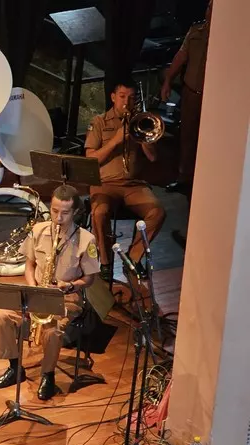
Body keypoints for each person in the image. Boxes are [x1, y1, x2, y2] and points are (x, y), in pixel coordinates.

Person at [0, 185, 100, 400]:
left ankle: (48, 376)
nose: (58, 217)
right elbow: (29, 265)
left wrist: (68, 285)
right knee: (2, 315)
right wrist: (32, 286)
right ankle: (14, 367)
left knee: (53, 330)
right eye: (55, 211)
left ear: (75, 212)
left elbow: (90, 278)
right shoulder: (38, 231)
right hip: (36, 293)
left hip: (65, 297)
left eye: (65, 213)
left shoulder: (86, 240)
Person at [85, 78, 164, 282]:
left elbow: (153, 157)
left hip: (133, 185)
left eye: (131, 98)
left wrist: (142, 137)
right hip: (105, 184)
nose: (126, 102)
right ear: (113, 97)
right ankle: (105, 262)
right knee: (99, 212)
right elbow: (90, 158)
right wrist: (116, 140)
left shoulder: (141, 121)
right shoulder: (99, 122)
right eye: (122, 97)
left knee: (158, 212)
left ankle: (133, 258)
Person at [160, 0, 211, 196]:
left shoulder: (227, 37)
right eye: (208, 8)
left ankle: (205, 180)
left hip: (212, 99)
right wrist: (167, 81)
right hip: (192, 93)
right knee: (187, 136)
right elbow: (181, 56)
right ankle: (184, 178)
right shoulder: (195, 31)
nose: (209, 13)